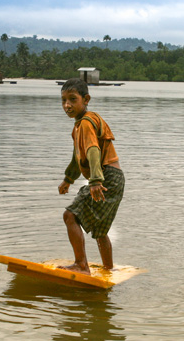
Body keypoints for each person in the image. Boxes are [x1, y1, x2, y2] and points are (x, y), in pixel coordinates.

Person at [58, 78, 125, 275]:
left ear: (86, 99)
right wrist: (68, 180)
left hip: (106, 176)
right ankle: (108, 269)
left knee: (70, 215)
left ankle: (81, 265)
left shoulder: (86, 123)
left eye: (72, 99)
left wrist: (95, 181)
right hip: (115, 177)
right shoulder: (78, 127)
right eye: (63, 100)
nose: (67, 105)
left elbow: (93, 150)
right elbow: (78, 158)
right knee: (100, 229)